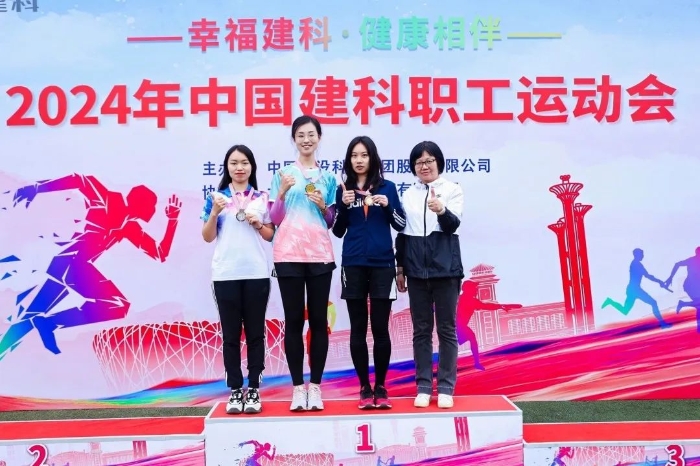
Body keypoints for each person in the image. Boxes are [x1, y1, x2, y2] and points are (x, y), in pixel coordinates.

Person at [269, 115, 338, 411]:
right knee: (294, 321)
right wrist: (282, 192)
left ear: (319, 138)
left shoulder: (329, 178)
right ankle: (298, 388)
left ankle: (316, 387)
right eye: (301, 135)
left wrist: (323, 206)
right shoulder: (283, 174)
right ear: (294, 139)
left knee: (319, 322)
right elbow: (274, 218)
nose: (306, 140)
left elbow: (331, 221)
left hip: (319, 254)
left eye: (311, 134)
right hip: (288, 254)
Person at [201, 144, 275, 415]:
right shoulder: (216, 198)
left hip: (256, 273)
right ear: (227, 167)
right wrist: (214, 213)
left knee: (255, 334)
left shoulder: (262, 198)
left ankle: (253, 387)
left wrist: (258, 224)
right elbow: (207, 236)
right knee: (230, 335)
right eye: (234, 163)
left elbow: (270, 235)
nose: (239, 167)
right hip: (225, 274)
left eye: (244, 162)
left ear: (252, 166)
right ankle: (235, 389)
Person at [332, 136, 405, 409]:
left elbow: (400, 224)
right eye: (354, 155)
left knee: (381, 328)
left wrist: (387, 206)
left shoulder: (388, 187)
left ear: (372, 158)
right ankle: (364, 387)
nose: (359, 160)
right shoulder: (344, 190)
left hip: (383, 264)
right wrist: (342, 205)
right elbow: (338, 230)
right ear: (349, 160)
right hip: (353, 264)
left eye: (364, 155)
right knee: (358, 329)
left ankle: (381, 387)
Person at [395, 141, 464, 409]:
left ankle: (446, 387)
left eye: (429, 160)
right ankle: (423, 386)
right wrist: (401, 268)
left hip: (446, 270)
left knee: (447, 329)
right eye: (419, 162)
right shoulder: (408, 194)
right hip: (416, 272)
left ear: (439, 162)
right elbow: (402, 234)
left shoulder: (452, 190)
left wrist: (442, 210)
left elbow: (453, 225)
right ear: (413, 167)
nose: (424, 166)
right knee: (421, 331)